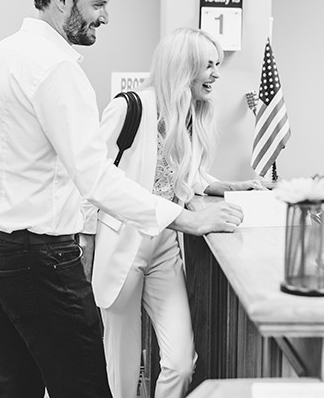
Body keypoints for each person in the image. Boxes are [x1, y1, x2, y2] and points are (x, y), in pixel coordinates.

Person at [0, 0, 243, 397]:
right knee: (88, 386)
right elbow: (96, 177)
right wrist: (187, 219)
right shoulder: (57, 68)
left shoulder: (0, 55)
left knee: (16, 385)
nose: (105, 17)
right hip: (39, 258)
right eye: (98, 4)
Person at [83, 28, 268, 398]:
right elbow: (91, 180)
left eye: (217, 64)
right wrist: (86, 244)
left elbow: (186, 176)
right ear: (184, 67)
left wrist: (230, 187)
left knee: (181, 363)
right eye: (209, 65)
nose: (216, 74)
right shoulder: (129, 108)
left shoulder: (191, 115)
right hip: (122, 246)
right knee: (122, 375)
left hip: (165, 246)